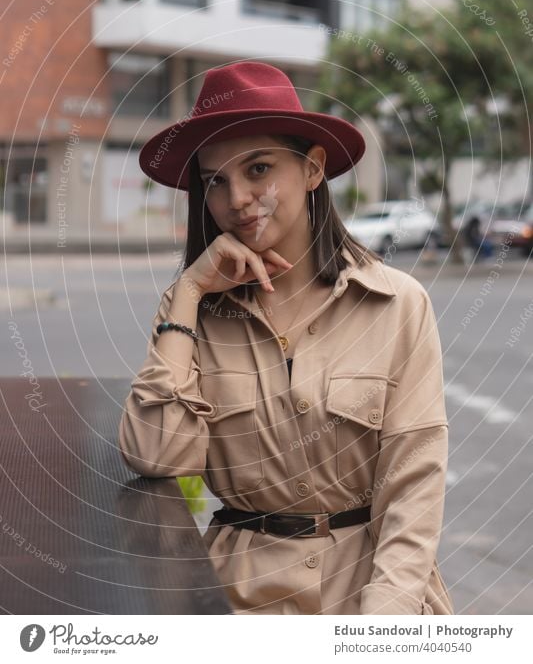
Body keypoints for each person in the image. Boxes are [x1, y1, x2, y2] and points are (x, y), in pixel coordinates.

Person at [118, 61, 454, 616]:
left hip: (369, 588)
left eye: (258, 168)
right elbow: (155, 454)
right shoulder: (194, 311)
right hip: (236, 598)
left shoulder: (397, 303)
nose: (238, 199)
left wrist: (382, 625)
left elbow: (414, 483)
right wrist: (187, 293)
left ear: (314, 169)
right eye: (216, 180)